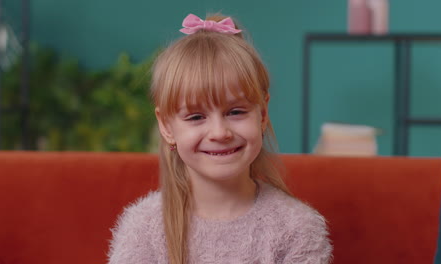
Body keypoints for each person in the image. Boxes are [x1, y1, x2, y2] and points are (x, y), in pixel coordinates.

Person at [108, 13, 333, 264]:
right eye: (195, 117)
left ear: (263, 114)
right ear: (166, 126)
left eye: (235, 112)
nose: (219, 133)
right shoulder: (143, 228)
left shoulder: (297, 228)